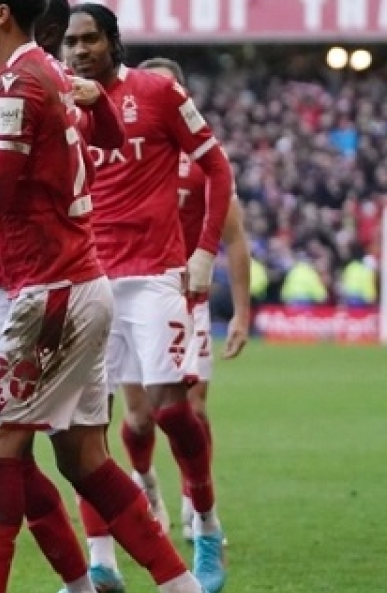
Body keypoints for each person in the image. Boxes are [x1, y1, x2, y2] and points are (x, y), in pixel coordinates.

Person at [0, 0, 204, 591]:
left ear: (0, 14)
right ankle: (179, 585)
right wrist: (100, 106)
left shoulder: (17, 85)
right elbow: (109, 136)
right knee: (84, 459)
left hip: (49, 294)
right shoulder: (53, 73)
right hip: (85, 284)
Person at [64, 2, 234, 593]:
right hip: (87, 278)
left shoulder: (158, 92)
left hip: (155, 275)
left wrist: (204, 253)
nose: (79, 50)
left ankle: (205, 525)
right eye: (70, 42)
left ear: (113, 41)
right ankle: (102, 561)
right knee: (86, 425)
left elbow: (218, 169)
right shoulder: (61, 103)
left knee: (170, 410)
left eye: (90, 39)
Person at [124, 57, 252, 545]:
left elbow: (235, 239)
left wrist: (240, 312)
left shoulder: (203, 160)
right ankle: (145, 483)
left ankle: (195, 505)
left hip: (186, 297)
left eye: (169, 88)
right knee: (139, 417)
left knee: (190, 409)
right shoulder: (126, 152)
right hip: (133, 290)